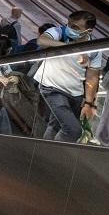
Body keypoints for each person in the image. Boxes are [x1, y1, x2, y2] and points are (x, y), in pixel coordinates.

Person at [32, 11, 102, 142]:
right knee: (73, 130)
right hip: (51, 87)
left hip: (75, 94)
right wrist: (70, 47)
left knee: (55, 125)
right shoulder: (60, 32)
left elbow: (92, 77)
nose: (69, 29)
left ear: (89, 30)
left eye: (75, 27)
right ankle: (54, 156)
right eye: (69, 24)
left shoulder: (94, 48)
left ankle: (43, 153)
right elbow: (42, 40)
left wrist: (88, 103)